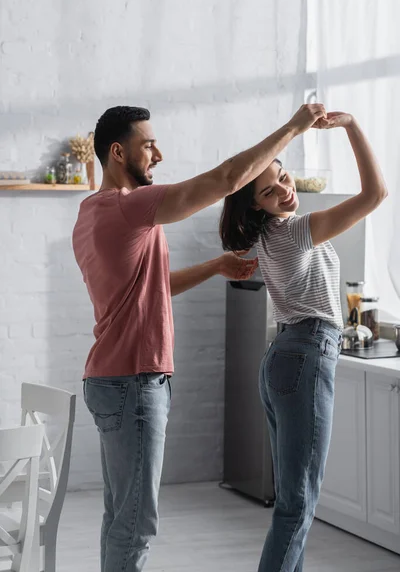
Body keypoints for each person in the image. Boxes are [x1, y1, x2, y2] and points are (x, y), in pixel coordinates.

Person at [72, 103, 327, 572]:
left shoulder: (90, 215)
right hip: (135, 381)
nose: (158, 153)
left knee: (119, 518)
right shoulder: (131, 208)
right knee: (136, 526)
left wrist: (215, 266)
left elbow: (153, 286)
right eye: (148, 145)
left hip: (106, 381)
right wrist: (293, 127)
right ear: (116, 151)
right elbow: (226, 178)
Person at [219, 111, 387, 572]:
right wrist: (353, 126)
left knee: (295, 502)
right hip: (307, 357)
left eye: (284, 178)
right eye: (269, 191)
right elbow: (376, 194)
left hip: (282, 358)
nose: (285, 191)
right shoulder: (295, 230)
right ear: (256, 205)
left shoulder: (271, 236)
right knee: (297, 505)